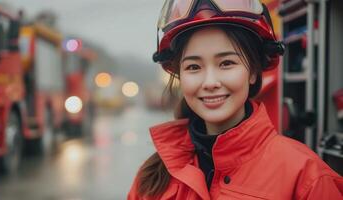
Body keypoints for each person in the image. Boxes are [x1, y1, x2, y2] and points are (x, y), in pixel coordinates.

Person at [128, 0, 343, 199]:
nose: (210, 82)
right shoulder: (152, 179)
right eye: (194, 67)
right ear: (180, 76)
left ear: (252, 72)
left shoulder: (308, 178)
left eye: (226, 63)